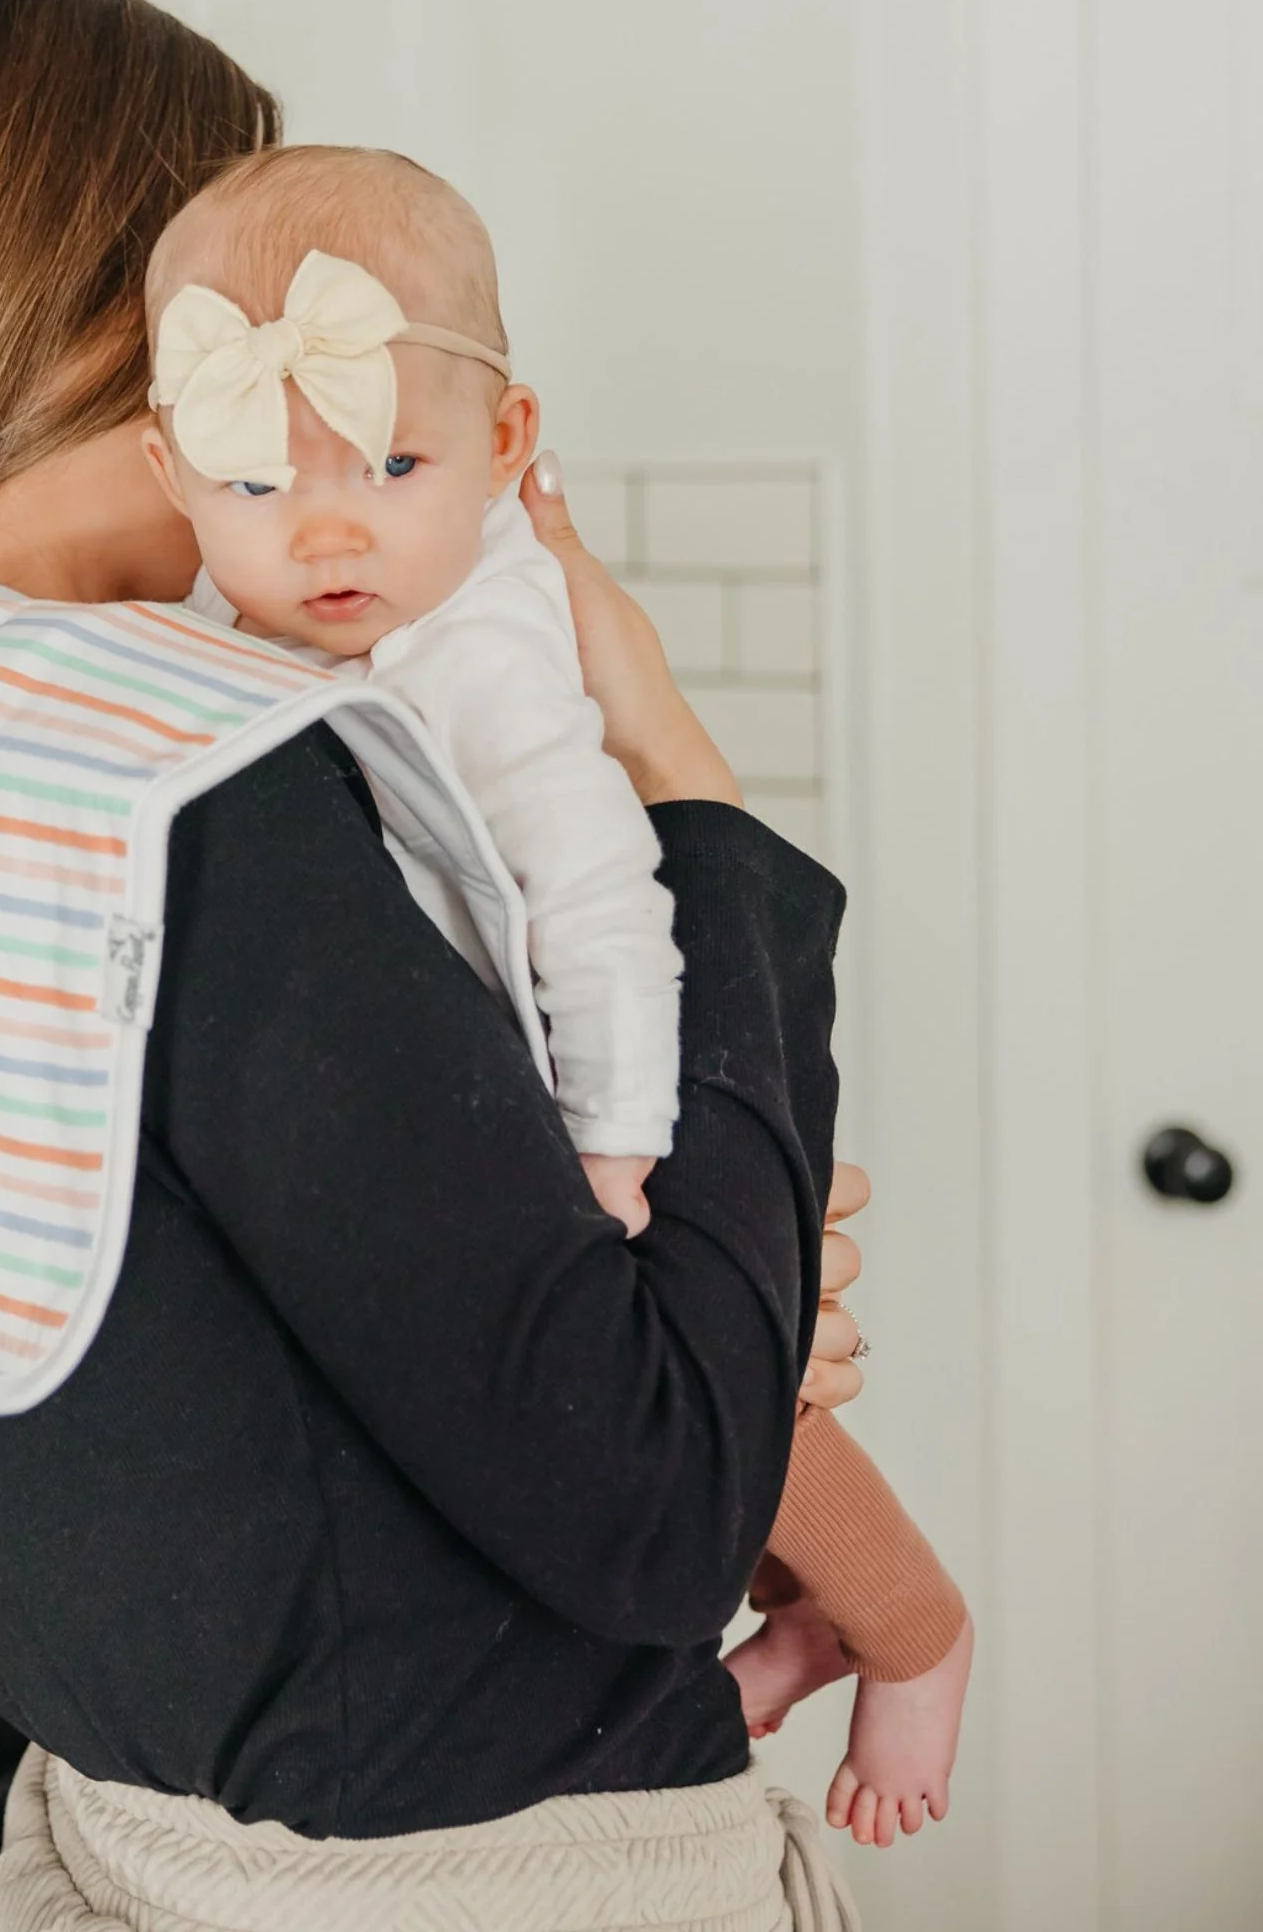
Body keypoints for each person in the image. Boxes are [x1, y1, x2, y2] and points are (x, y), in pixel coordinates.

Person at [0, 0, 881, 1930]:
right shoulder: (194, 787)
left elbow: (299, 1365)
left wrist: (697, 1293)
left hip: (128, 1849)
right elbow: (661, 1496)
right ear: (129, 343)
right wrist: (679, 777)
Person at [137, 143, 974, 1848]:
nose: (325, 527)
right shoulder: (278, 619)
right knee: (599, 1464)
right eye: (251, 487)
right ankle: (787, 1641)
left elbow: (601, 897)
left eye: (392, 461)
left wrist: (617, 1154)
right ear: (171, 473)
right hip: (487, 1099)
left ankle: (918, 1632)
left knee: (740, 1419)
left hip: (610, 1082)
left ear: (511, 450)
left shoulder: (485, 646)